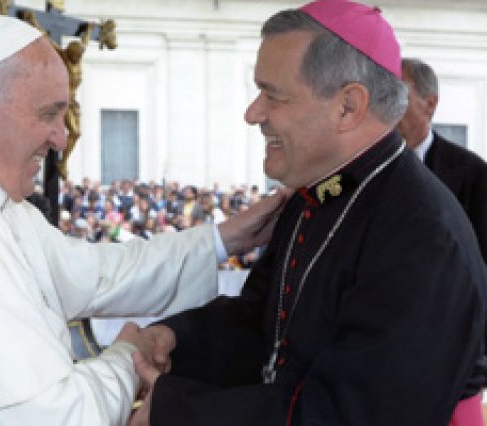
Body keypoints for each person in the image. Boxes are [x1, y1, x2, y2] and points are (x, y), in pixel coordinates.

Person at [0, 15, 287, 426]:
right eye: (48, 114)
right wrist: (126, 358)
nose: (61, 137)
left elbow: (94, 274)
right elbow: (52, 415)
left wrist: (222, 239)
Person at [129, 2, 487, 425]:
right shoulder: (316, 191)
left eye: (272, 95)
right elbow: (265, 324)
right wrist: (177, 339)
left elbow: (355, 413)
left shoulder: (422, 235)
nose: (252, 113)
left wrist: (176, 412)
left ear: (348, 107)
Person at [397, 57, 487, 261]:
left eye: (400, 99)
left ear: (430, 103)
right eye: (384, 99)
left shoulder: (473, 173)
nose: (389, 110)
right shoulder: (367, 166)